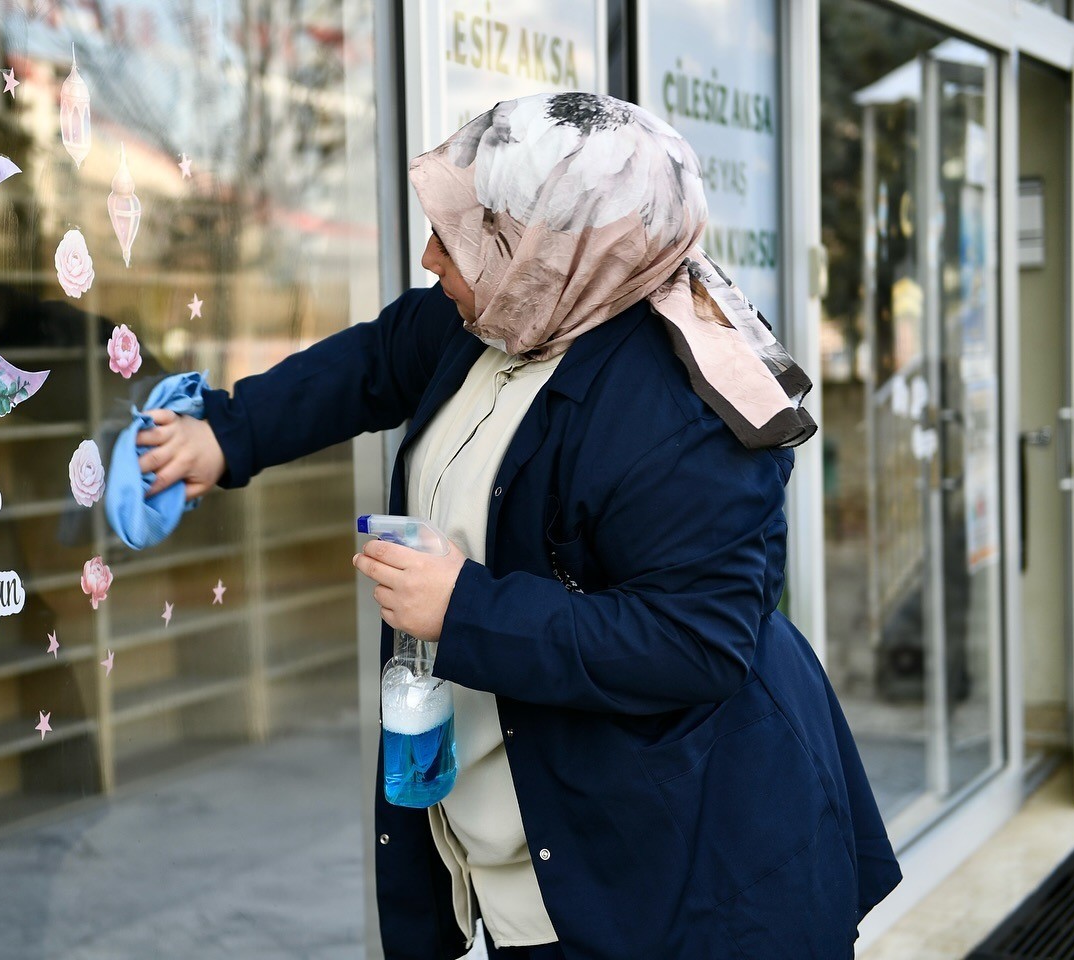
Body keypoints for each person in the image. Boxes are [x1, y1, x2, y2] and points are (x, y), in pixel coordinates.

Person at [134, 92, 901, 960]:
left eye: (459, 239)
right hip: (530, 856)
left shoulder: (685, 413)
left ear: (550, 246)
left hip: (678, 879)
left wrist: (464, 610)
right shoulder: (506, 312)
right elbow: (377, 361)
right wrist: (227, 436)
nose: (431, 257)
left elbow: (698, 642)